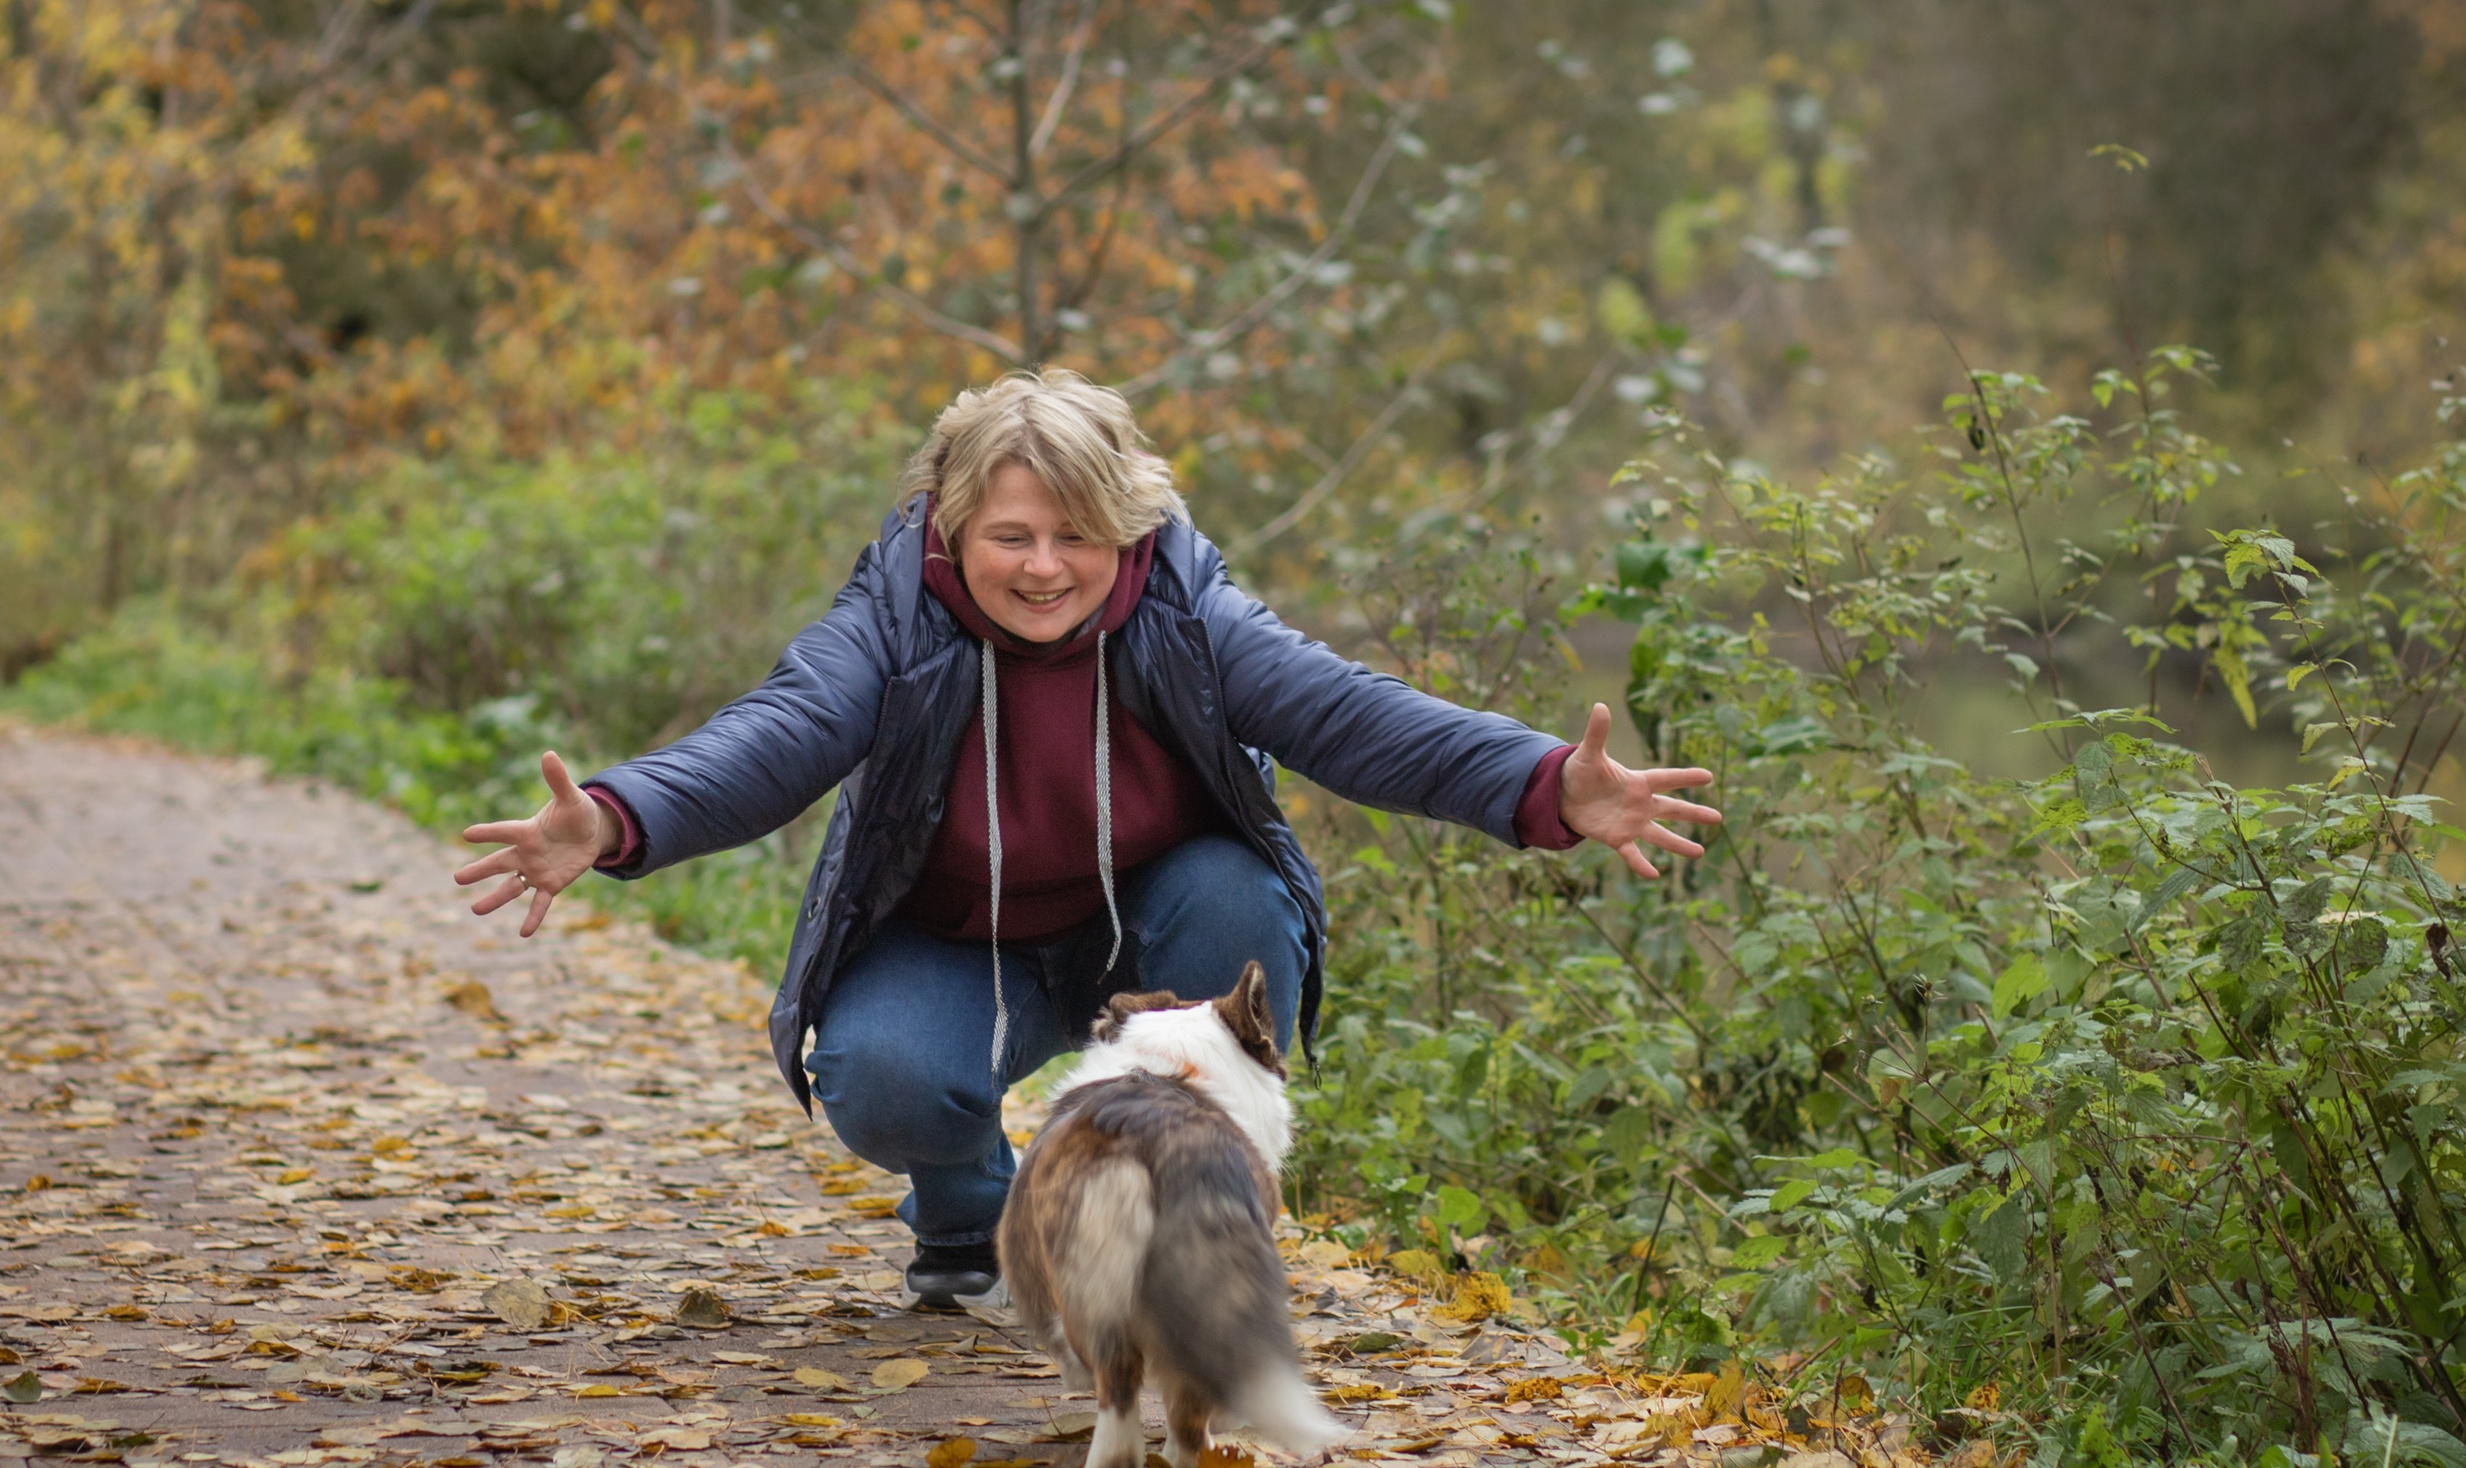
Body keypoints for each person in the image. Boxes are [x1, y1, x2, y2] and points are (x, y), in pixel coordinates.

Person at [453, 369, 1718, 1310]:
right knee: (886, 1075)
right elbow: (780, 732)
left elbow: (1351, 716)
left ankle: (1184, 1239)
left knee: (1238, 901)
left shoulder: (1187, 612)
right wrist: (621, 814)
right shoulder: (895, 621)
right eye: (1011, 535)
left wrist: (1546, 784)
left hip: (1149, 933)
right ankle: (970, 1221)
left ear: (1127, 529)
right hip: (956, 943)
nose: (1045, 567)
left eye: (1076, 535)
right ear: (952, 529)